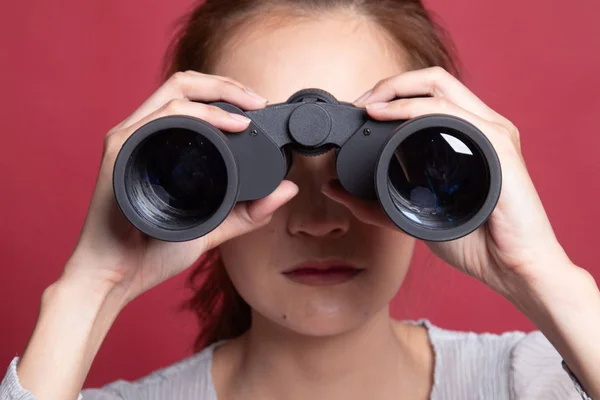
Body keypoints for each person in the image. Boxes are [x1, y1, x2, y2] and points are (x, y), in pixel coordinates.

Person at [1, 0, 598, 399]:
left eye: (373, 166)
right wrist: (89, 288)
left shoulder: (539, 384)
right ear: (190, 170)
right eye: (262, 166)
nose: (319, 221)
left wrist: (546, 280)